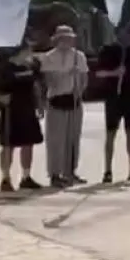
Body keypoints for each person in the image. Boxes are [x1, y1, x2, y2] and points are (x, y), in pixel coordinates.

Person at [97, 22, 130, 183]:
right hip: (114, 95)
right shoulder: (110, 50)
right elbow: (99, 73)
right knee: (111, 133)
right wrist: (114, 72)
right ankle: (107, 170)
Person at [38, 25, 88, 188]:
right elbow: (50, 81)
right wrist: (67, 74)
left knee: (73, 138)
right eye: (64, 38)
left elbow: (84, 78)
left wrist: (79, 91)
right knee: (56, 140)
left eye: (70, 38)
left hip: (74, 101)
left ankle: (70, 171)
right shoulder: (49, 57)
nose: (67, 41)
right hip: (57, 100)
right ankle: (55, 173)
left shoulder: (79, 56)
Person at [0, 43, 45, 192]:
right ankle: (5, 178)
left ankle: (26, 177)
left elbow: (35, 85)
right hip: (11, 110)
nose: (31, 52)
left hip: (27, 108)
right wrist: (1, 98)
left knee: (28, 143)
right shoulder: (4, 67)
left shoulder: (30, 66)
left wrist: (40, 104)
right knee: (8, 145)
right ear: (21, 51)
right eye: (28, 49)